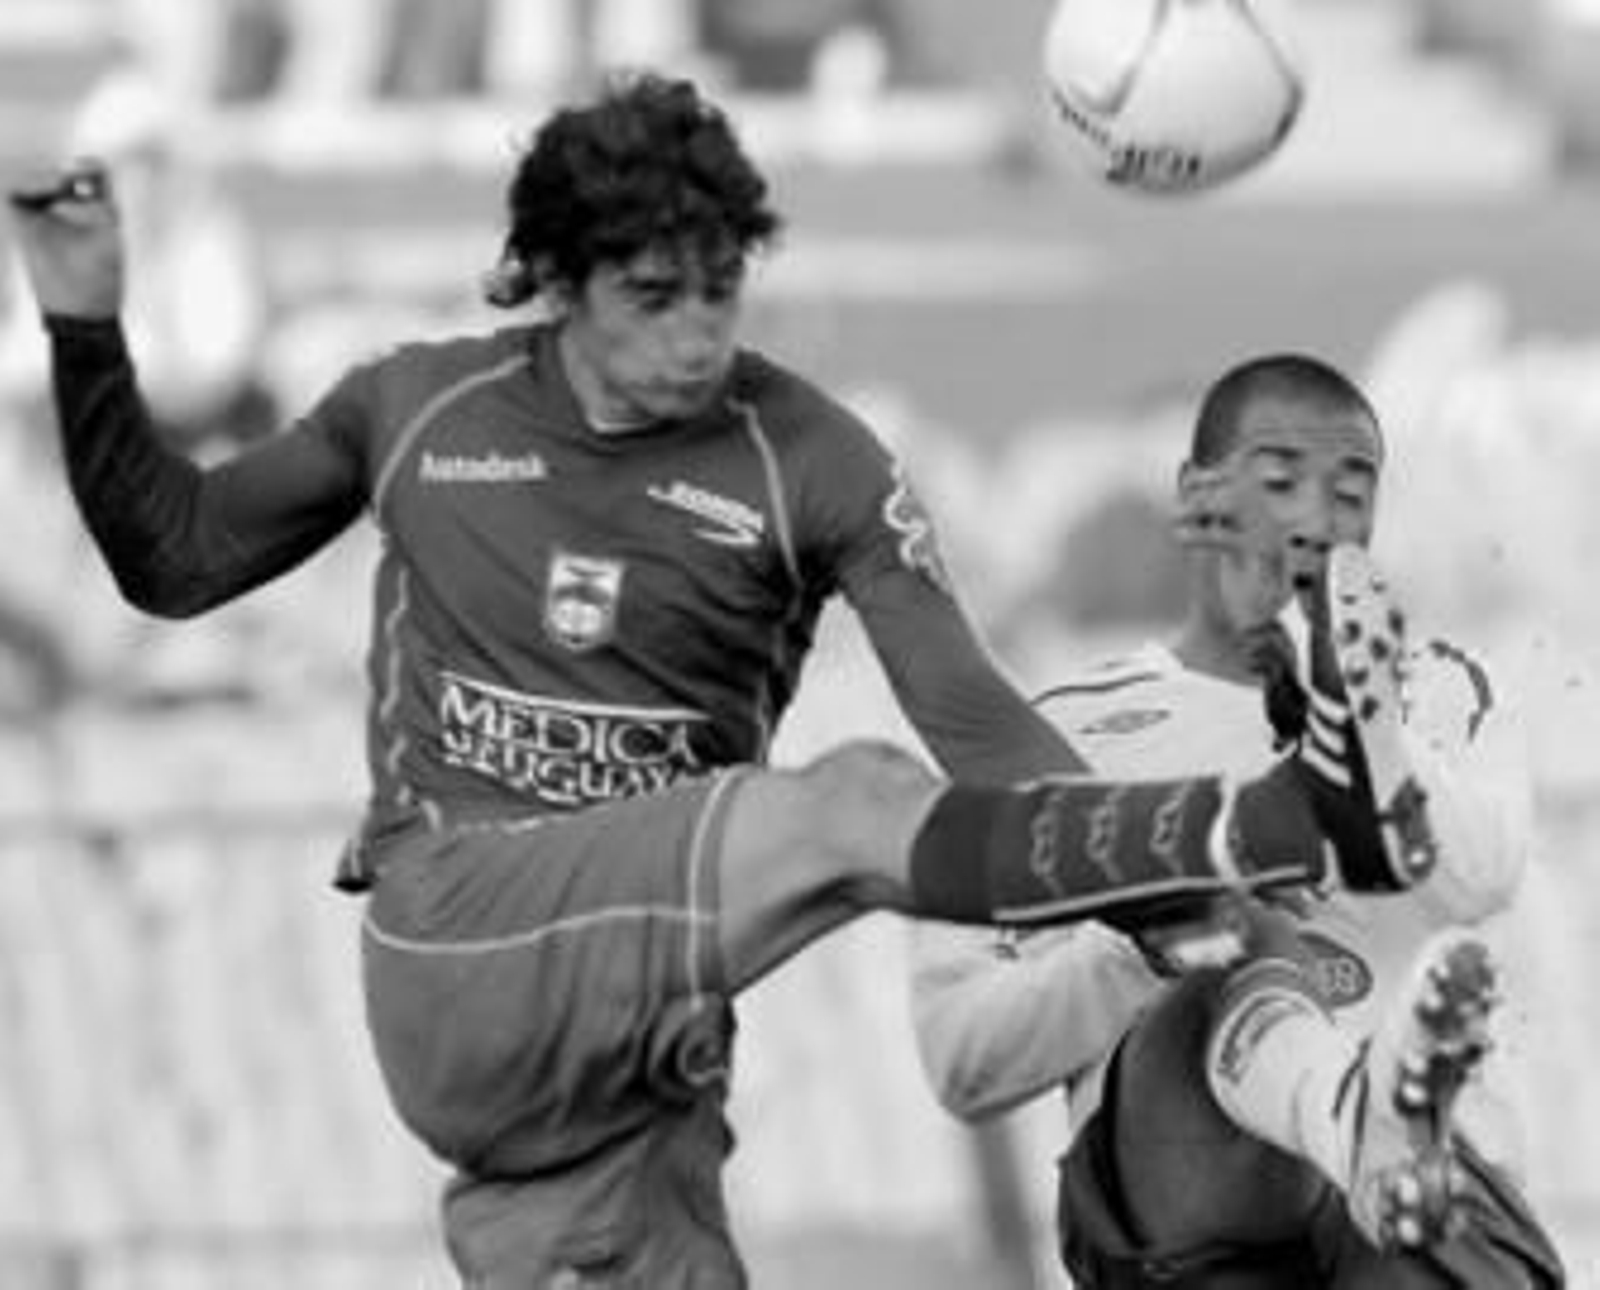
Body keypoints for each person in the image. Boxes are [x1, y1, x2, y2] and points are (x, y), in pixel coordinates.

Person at [9, 77, 1419, 1289]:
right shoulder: (418, 406)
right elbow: (174, 558)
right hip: (462, 937)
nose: (697, 334)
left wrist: (1121, 884)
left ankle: (1214, 868)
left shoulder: (811, 459)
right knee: (851, 801)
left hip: (644, 1050)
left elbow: (975, 717)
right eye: (652, 297)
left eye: (722, 289)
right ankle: (1266, 822)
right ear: (556, 285)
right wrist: (84, 327)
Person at [912, 354, 1568, 1288]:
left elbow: (1485, 871)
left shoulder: (1441, 689)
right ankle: (1347, 1118)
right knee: (1226, 939)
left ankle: (1377, 1130)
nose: (1315, 520)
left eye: (1352, 492)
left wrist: (1367, 734)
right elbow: (964, 1057)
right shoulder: (1058, 732)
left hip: (1433, 1202)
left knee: (1416, 1225)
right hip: (1190, 1224)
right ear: (1196, 497)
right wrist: (1150, 937)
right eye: (1280, 481)